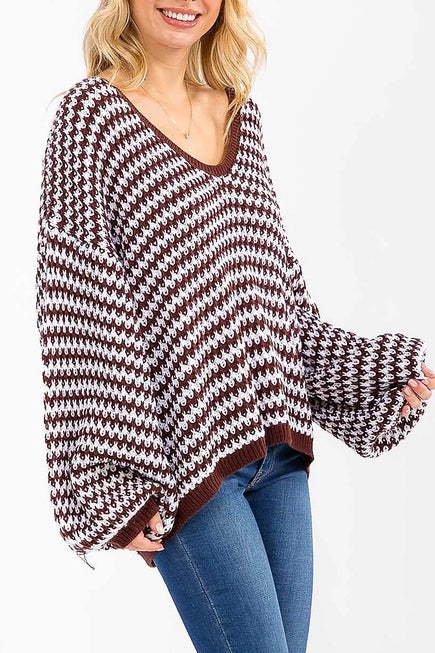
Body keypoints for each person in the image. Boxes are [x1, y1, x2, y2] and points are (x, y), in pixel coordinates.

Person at [35, 1, 434, 651]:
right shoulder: (91, 119)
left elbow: (275, 304)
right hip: (186, 460)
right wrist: (114, 481)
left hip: (278, 450)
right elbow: (78, 307)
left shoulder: (239, 114)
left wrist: (376, 374)